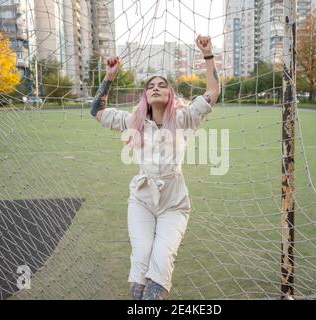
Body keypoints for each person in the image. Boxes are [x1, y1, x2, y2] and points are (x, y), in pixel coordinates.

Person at [90, 35, 220, 300]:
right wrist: (110, 75)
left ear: (170, 94)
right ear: (145, 95)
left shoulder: (183, 118)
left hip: (174, 203)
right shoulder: (132, 121)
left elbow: (212, 93)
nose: (156, 87)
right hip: (142, 200)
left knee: (161, 261)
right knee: (141, 260)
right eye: (151, 86)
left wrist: (208, 55)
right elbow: (96, 111)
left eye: (162, 85)